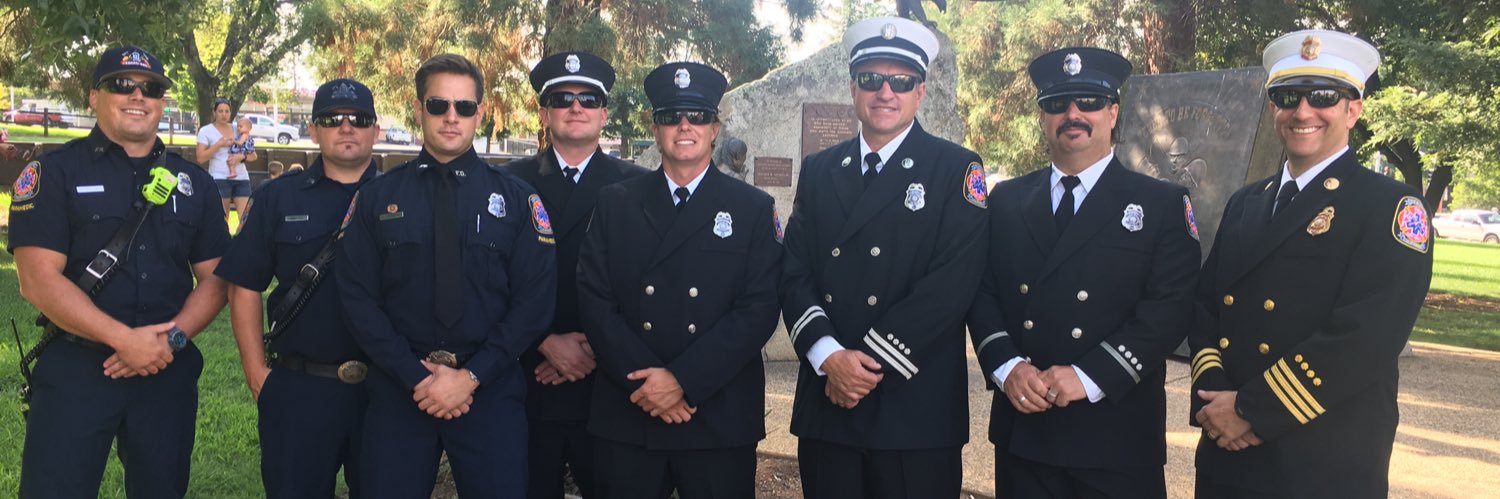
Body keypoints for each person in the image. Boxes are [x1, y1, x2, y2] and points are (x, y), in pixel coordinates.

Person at [1189, 30, 1433, 498]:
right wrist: (1213, 398)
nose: (1303, 111)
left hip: (1321, 458)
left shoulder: (1391, 207)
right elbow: (1205, 305)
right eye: (1287, 97)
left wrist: (1251, 410)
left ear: (1353, 109)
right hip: (1227, 451)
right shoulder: (1247, 202)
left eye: (1323, 96)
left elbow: (1367, 337)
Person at [966, 47, 1201, 498]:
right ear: (1043, 117)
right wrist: (1007, 367)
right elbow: (982, 292)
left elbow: (1170, 309)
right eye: (1058, 104)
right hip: (1025, 425)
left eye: (1089, 102)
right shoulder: (1006, 201)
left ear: (1113, 113)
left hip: (1115, 434)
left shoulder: (1162, 204)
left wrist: (1090, 375)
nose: (1073, 114)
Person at [780, 17, 989, 498]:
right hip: (829, 401)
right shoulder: (820, 169)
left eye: (901, 81)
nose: (885, 92)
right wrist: (829, 356)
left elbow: (952, 284)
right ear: (853, 88)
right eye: (871, 79)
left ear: (920, 91)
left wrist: (863, 367)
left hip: (912, 409)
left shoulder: (956, 168)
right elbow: (794, 272)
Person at [8, 45, 230, 498]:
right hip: (76, 367)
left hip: (164, 369)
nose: (137, 96)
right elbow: (37, 279)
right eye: (121, 85)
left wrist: (170, 340)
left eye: (150, 89)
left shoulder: (196, 185)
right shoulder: (53, 172)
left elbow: (216, 278)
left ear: (162, 102)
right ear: (93, 97)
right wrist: (124, 340)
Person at [336, 53, 557, 497]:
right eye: (438, 106)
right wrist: (417, 378)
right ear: (418, 110)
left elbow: (534, 303)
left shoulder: (515, 199)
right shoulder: (378, 198)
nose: (451, 117)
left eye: (464, 107)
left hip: (489, 389)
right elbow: (357, 298)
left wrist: (471, 377)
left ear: (480, 113)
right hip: (401, 389)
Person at [577, 61, 783, 499]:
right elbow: (594, 299)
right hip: (631, 408)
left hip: (716, 414)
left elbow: (760, 307)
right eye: (671, 116)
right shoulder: (616, 203)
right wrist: (649, 384)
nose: (684, 126)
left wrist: (683, 380)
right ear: (655, 128)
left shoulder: (752, 209)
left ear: (715, 128)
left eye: (698, 116)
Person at [215, 78, 382, 498]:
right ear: (313, 130)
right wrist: (256, 373)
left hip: (387, 392)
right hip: (300, 388)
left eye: (358, 119)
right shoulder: (277, 198)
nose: (346, 127)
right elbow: (244, 286)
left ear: (375, 131)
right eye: (332, 119)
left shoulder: (406, 197)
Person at [502, 51, 649, 499]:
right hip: (529, 377)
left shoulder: (638, 186)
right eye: (562, 98)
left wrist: (594, 348)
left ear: (604, 113)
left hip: (605, 382)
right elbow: (489, 278)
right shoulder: (508, 183)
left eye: (588, 99)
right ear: (544, 113)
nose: (575, 107)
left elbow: (645, 284)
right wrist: (543, 340)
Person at [198, 98, 251, 231]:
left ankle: (240, 245)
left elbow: (253, 154)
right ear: (214, 112)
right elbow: (200, 158)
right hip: (219, 178)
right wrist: (218, 145)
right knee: (222, 219)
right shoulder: (206, 131)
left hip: (241, 178)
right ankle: (223, 248)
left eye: (227, 111)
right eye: (220, 111)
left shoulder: (238, 128)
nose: (224, 114)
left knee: (247, 218)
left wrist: (241, 157)